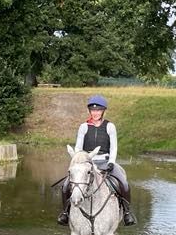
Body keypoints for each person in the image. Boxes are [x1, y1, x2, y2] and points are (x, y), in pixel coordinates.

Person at [57, 94, 136, 226]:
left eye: (98, 110)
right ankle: (65, 212)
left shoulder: (110, 126)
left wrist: (111, 162)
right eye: (93, 110)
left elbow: (114, 147)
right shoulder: (84, 127)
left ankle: (127, 212)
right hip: (87, 163)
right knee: (66, 185)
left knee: (123, 183)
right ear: (90, 111)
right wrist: (78, 160)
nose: (95, 113)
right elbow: (78, 146)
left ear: (103, 111)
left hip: (105, 161)